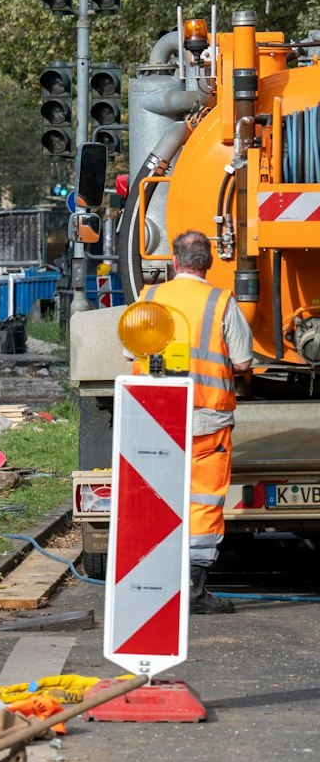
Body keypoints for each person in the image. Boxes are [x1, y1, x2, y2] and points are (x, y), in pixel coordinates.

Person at [143, 229, 252, 614]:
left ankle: (151, 585)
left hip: (154, 420)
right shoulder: (221, 302)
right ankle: (192, 590)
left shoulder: (150, 298)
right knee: (203, 501)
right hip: (207, 419)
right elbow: (242, 362)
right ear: (208, 263)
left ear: (174, 262)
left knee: (158, 499)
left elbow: (130, 353)